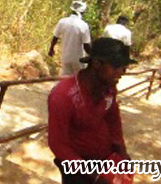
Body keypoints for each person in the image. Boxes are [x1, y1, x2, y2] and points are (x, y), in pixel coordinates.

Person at [48, 37, 136, 184]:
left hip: (104, 160)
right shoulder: (63, 96)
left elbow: (113, 120)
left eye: (124, 67)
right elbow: (58, 144)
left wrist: (122, 152)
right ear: (96, 63)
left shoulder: (108, 88)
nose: (122, 72)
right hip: (76, 166)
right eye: (116, 67)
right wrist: (94, 176)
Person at [48, 1, 92, 75]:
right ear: (82, 12)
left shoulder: (62, 22)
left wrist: (51, 49)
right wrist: (93, 56)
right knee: (78, 80)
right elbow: (86, 45)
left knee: (65, 80)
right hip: (78, 59)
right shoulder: (83, 25)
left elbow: (55, 37)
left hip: (65, 58)